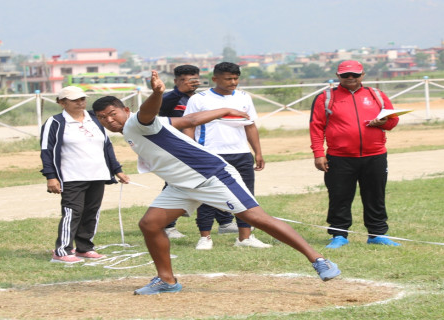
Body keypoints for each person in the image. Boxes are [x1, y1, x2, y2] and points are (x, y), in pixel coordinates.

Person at [92, 70, 341, 295]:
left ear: (125, 110)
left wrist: (157, 93)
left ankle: (319, 260)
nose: (109, 120)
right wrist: (222, 111)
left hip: (211, 176)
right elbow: (189, 121)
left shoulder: (137, 121)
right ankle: (166, 281)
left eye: (113, 114)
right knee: (149, 224)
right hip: (182, 185)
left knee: (257, 218)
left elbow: (147, 111)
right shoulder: (137, 127)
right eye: (103, 118)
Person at [309, 60, 401, 249]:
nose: (350, 78)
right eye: (345, 75)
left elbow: (392, 122)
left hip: (375, 155)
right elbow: (316, 127)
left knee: (375, 195)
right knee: (339, 196)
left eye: (355, 75)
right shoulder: (325, 97)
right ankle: (339, 235)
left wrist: (382, 123)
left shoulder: (377, 95)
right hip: (339, 157)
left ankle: (377, 234)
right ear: (338, 76)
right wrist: (319, 153)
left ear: (362, 75)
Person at [182, 62, 269, 250]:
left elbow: (250, 125)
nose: (233, 82)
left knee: (246, 196)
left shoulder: (244, 97)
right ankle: (205, 237)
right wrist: (193, 151)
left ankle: (244, 238)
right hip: (211, 154)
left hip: (241, 154)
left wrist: (257, 152)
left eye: (236, 78)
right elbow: (188, 124)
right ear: (215, 79)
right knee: (208, 196)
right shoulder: (200, 99)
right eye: (228, 78)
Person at [40, 86, 129, 264]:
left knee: (91, 212)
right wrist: (51, 176)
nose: (80, 102)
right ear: (62, 103)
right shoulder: (55, 122)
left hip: (98, 174)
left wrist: (117, 170)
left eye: (82, 99)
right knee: (72, 212)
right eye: (74, 100)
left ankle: (84, 247)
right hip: (72, 175)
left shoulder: (95, 119)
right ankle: (62, 250)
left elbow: (107, 146)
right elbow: (46, 150)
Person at [160, 64, 238, 239]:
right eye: (184, 81)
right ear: (176, 81)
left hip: (199, 149)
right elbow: (162, 110)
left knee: (215, 182)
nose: (190, 84)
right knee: (174, 184)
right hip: (175, 149)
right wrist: (179, 92)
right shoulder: (170, 99)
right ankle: (166, 225)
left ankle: (225, 221)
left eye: (194, 80)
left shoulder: (201, 99)